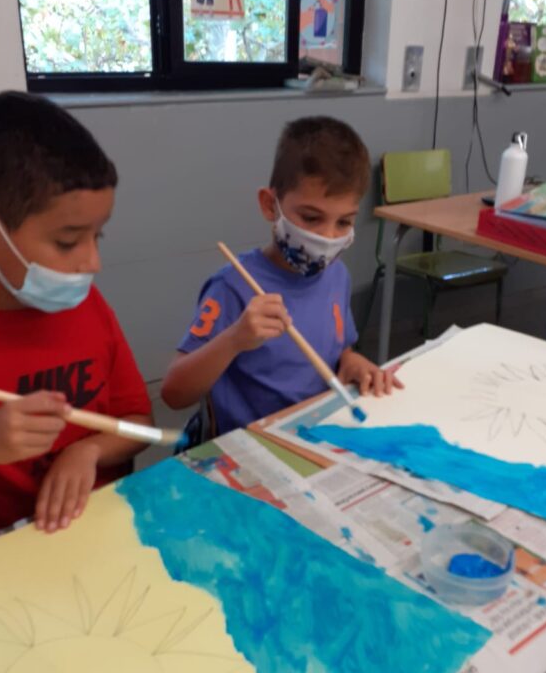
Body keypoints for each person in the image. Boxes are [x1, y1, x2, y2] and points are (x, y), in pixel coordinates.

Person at [0, 91, 153, 566]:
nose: (93, 262)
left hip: (88, 548)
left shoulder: (86, 306)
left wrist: (88, 452)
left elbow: (138, 424)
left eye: (97, 236)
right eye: (67, 241)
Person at [161, 116, 401, 439]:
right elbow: (174, 393)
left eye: (344, 222)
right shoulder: (232, 287)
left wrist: (351, 361)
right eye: (311, 218)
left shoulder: (337, 276)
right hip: (249, 447)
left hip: (314, 435)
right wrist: (234, 339)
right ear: (269, 206)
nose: (328, 237)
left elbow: (338, 349)